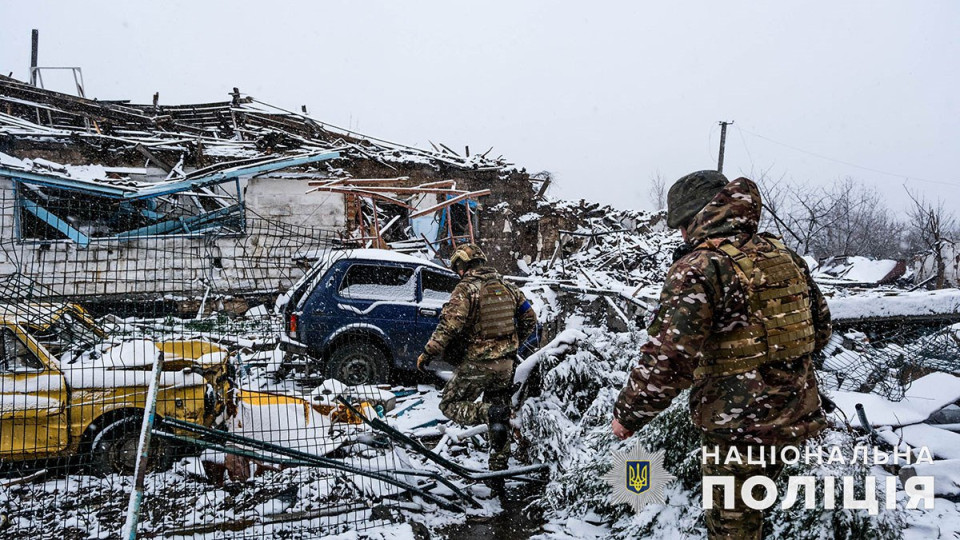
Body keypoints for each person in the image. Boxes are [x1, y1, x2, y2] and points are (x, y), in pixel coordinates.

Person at [611, 171, 832, 539]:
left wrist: (628, 416)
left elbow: (668, 358)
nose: (682, 235)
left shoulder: (700, 267)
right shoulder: (783, 255)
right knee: (760, 513)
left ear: (701, 215)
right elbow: (821, 330)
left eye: (683, 224)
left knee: (733, 529)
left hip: (739, 431)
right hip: (797, 417)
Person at [417, 243, 538, 476]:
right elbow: (530, 319)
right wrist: (510, 345)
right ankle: (498, 474)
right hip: (506, 365)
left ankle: (487, 413)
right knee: (500, 418)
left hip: (477, 364)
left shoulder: (466, 289)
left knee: (449, 404)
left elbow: (449, 325)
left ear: (462, 265)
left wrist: (429, 352)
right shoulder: (509, 287)